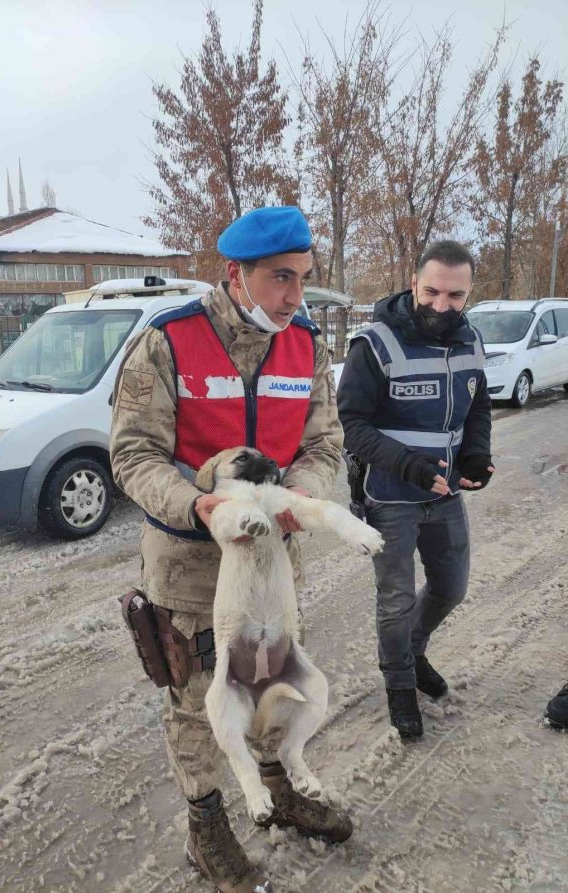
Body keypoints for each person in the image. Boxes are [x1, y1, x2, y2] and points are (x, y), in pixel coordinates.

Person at [110, 206, 351, 893]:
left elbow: (323, 442)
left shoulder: (306, 344)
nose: (294, 296)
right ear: (235, 275)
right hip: (190, 566)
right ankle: (205, 823)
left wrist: (299, 495)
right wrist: (198, 506)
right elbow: (132, 454)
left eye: (303, 279)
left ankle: (277, 788)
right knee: (195, 696)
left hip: (274, 562)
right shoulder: (168, 343)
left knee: (276, 680)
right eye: (280, 278)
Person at [337, 240, 494, 740]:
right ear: (414, 284)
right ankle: (400, 684)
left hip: (445, 494)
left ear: (468, 293)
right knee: (396, 600)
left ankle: (413, 650)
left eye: (455, 296)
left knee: (451, 588)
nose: (441, 306)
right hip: (390, 496)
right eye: (432, 292)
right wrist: (409, 465)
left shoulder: (470, 341)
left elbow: (478, 408)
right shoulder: (375, 343)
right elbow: (353, 425)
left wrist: (475, 454)